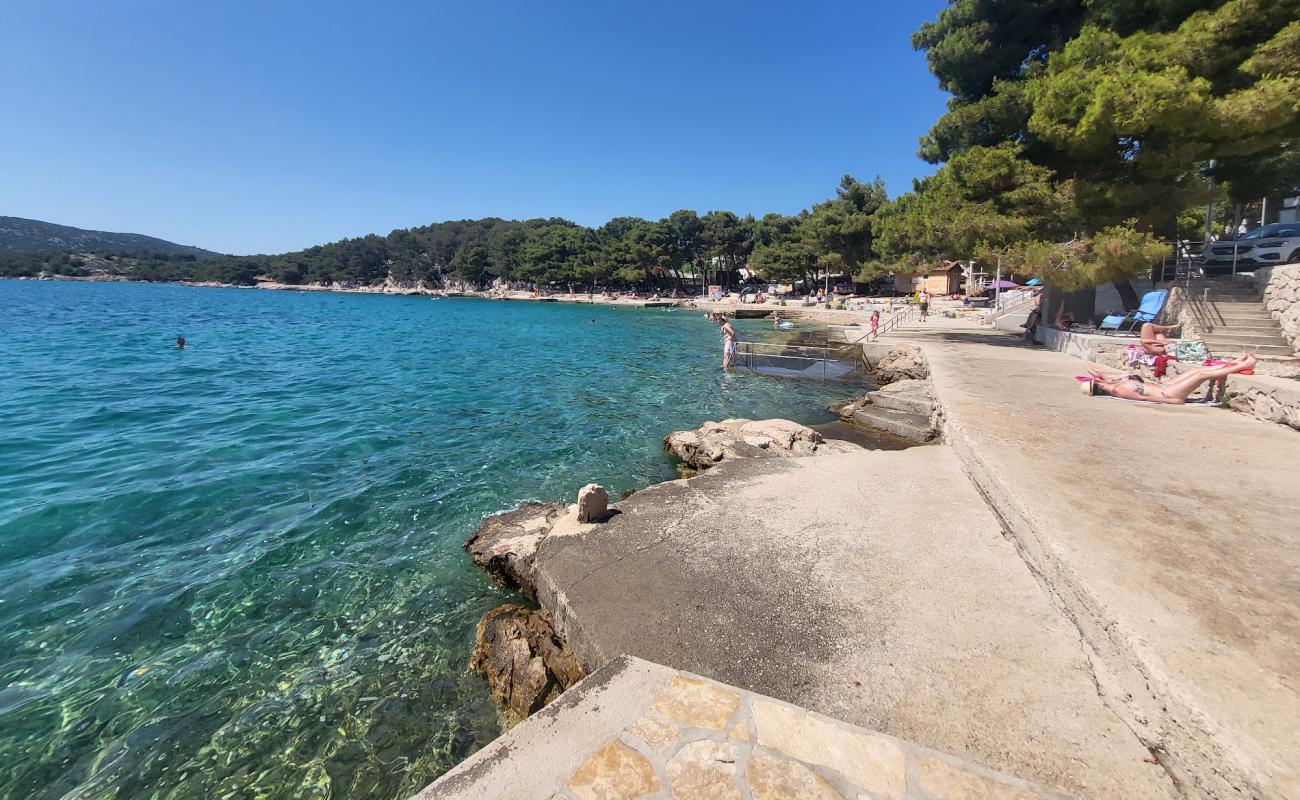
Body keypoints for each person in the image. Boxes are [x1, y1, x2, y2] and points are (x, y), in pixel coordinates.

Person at [1083, 354, 1256, 404]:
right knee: (1201, 375)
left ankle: (1234, 363)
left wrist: (1100, 374)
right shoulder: (1118, 390)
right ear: (1098, 386)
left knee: (1196, 370)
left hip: (1166, 386)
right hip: (1168, 393)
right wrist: (1174, 401)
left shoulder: (1115, 385)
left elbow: (1106, 375)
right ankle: (1243, 365)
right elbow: (1143, 398)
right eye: (1096, 381)